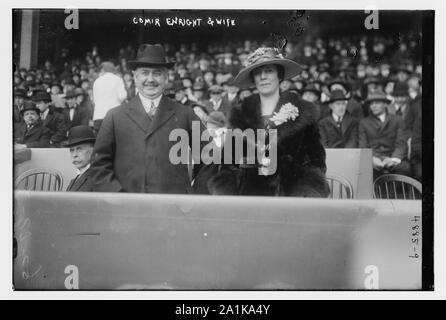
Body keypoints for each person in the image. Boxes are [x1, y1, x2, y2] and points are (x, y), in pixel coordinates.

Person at [193, 47, 329, 197]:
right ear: (253, 79)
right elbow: (227, 166)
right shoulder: (241, 116)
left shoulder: (302, 114)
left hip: (289, 204)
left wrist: (302, 198)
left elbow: (314, 165)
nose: (263, 77)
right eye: (257, 73)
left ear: (280, 75)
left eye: (269, 71)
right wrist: (227, 193)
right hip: (247, 203)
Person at [89, 43, 205, 193]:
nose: (150, 79)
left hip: (174, 210)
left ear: (166, 78)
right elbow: (99, 165)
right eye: (144, 73)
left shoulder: (186, 114)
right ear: (135, 77)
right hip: (129, 210)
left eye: (157, 73)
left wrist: (194, 193)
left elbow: (210, 157)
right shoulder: (114, 116)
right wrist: (118, 196)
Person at [358, 91, 411, 179]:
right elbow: (363, 145)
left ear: (386, 104)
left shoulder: (397, 120)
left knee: (405, 169)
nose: (373, 106)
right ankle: (376, 193)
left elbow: (401, 144)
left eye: (377, 103)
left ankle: (393, 193)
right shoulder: (364, 123)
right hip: (374, 159)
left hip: (392, 157)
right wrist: (372, 159)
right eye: (371, 104)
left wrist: (393, 159)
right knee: (365, 170)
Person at [92, 61, 127, 132]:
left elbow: (94, 101)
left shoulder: (97, 81)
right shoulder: (118, 79)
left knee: (101, 142)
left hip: (98, 117)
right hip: (113, 117)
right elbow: (122, 96)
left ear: (103, 70)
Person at [66, 125, 96, 192]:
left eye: (79, 149)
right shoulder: (75, 180)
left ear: (93, 150)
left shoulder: (98, 178)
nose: (74, 155)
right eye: (72, 150)